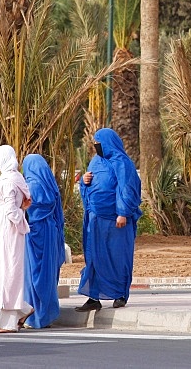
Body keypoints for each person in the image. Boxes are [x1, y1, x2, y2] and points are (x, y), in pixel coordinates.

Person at [76, 128, 142, 312]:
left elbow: (127, 188)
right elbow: (90, 186)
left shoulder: (122, 163)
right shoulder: (96, 161)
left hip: (115, 220)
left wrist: (123, 212)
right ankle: (93, 297)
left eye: (99, 142)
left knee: (117, 256)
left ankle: (120, 294)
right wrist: (84, 181)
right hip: (95, 218)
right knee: (94, 257)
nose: (96, 145)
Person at [0, 144, 33, 333]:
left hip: (6, 233)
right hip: (9, 232)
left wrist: (20, 221)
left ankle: (8, 322)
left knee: (5, 273)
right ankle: (23, 309)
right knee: (8, 272)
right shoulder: (16, 178)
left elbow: (10, 210)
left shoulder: (7, 181)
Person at [22, 154, 65, 329]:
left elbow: (24, 213)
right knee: (47, 273)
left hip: (33, 234)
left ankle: (33, 315)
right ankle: (46, 314)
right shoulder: (51, 187)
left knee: (33, 274)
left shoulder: (30, 187)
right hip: (50, 232)